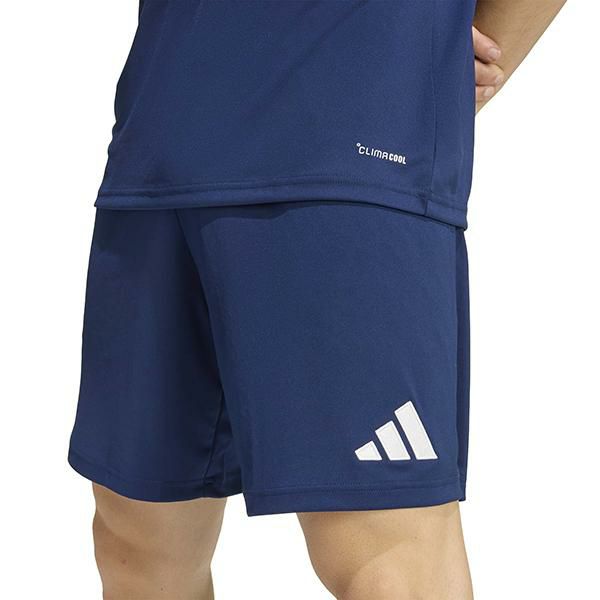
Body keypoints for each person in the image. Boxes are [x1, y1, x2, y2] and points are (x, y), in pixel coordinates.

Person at [69, 1, 566, 598]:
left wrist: (431, 67)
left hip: (350, 139)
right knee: (138, 538)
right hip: (157, 137)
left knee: (388, 551)